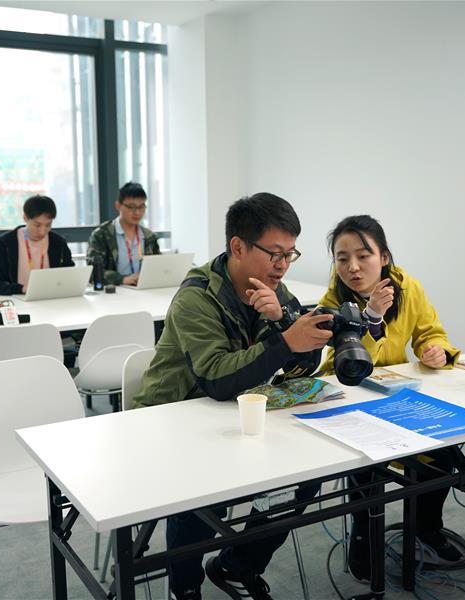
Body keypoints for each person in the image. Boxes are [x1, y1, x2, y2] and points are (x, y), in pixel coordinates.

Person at [132, 193, 334, 600]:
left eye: (289, 254)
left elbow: (303, 364)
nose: (282, 265)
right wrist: (283, 343)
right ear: (238, 246)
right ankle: (184, 586)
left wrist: (283, 323)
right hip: (171, 419)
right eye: (274, 253)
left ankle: (237, 565)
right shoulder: (196, 297)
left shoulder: (276, 291)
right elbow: (217, 379)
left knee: (307, 473)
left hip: (233, 413)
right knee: (199, 492)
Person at [318, 214, 463, 580]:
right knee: (366, 470)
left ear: (383, 257)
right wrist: (371, 318)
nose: (352, 267)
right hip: (351, 402)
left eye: (363, 255)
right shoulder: (333, 301)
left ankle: (427, 526)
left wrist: (435, 350)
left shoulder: (408, 288)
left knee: (443, 453)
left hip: (397, 397)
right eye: (342, 258)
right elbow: (341, 366)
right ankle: (364, 538)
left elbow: (431, 331)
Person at [0, 195, 74, 295]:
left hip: (50, 301)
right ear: (25, 218)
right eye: (37, 225)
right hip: (15, 303)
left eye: (48, 225)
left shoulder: (58, 243)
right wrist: (21, 289)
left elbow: (69, 276)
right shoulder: (5, 244)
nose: (42, 232)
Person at [86, 182, 161, 285]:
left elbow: (159, 267)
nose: (137, 212)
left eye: (141, 207)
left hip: (144, 290)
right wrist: (121, 279)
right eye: (131, 207)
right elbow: (93, 271)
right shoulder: (102, 235)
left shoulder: (149, 237)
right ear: (118, 205)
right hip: (114, 293)